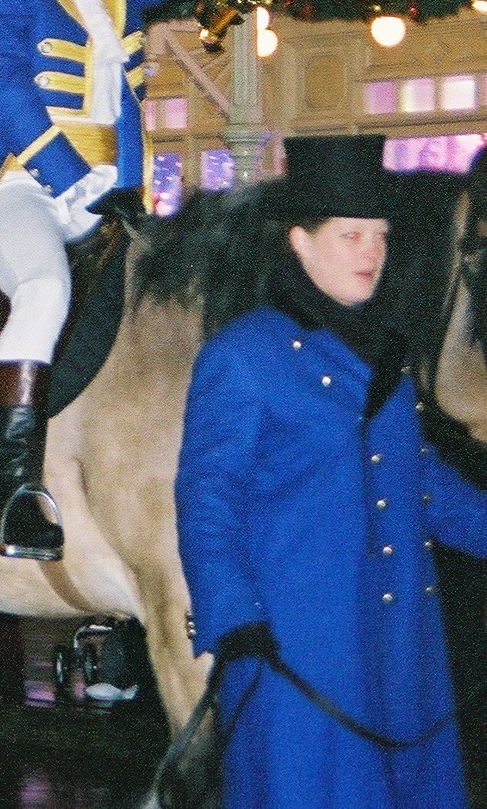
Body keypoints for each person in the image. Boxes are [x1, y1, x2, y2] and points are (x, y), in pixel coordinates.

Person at [0, 0, 384, 562]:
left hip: (116, 190)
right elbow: (2, 86)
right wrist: (70, 177)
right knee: (41, 290)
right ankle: (17, 491)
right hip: (25, 182)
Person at [176, 134, 487, 809]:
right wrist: (236, 621)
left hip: (402, 638)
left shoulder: (387, 352)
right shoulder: (244, 355)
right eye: (351, 236)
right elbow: (208, 501)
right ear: (299, 240)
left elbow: (421, 482)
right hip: (297, 647)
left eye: (379, 236)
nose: (372, 253)